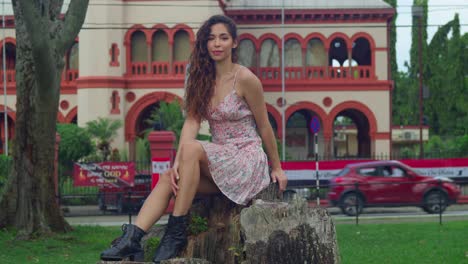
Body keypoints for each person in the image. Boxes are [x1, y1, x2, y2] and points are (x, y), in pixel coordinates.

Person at [100, 14, 287, 263]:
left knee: (191, 149)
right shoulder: (200, 78)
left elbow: (264, 125)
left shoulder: (245, 79)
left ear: (233, 43)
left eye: (223, 38)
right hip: (219, 163)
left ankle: (174, 233)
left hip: (245, 161)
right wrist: (178, 162)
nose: (217, 44)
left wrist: (277, 167)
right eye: (211, 39)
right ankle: (133, 239)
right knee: (170, 178)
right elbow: (192, 122)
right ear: (204, 44)